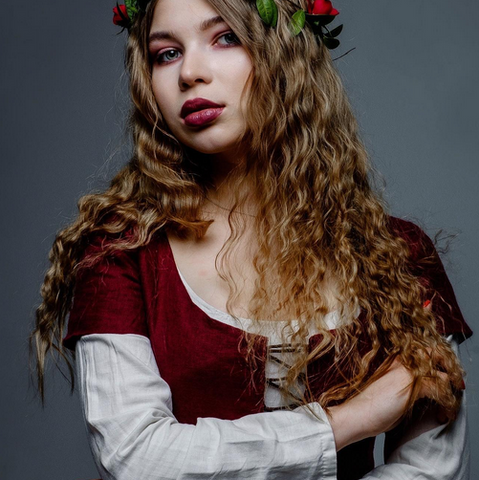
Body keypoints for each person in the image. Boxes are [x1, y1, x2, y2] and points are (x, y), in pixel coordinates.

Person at [30, 0, 473, 478]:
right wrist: (347, 422)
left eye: (225, 38)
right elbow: (136, 457)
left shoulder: (399, 255)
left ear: (287, 53)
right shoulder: (121, 252)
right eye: (166, 53)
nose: (190, 74)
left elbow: (430, 469)